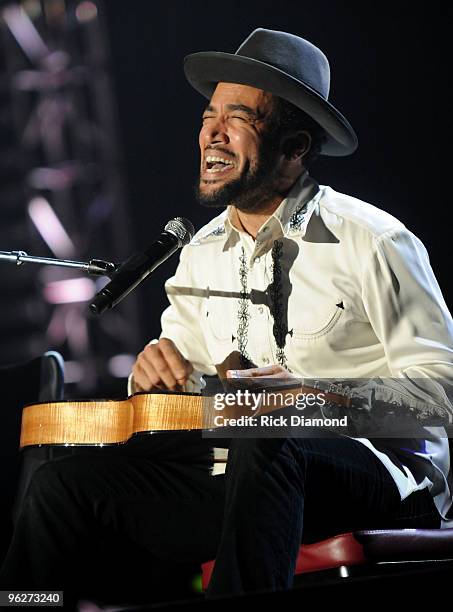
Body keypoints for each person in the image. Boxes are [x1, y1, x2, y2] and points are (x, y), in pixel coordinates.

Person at [1, 28, 453, 605]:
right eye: (209, 113)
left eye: (238, 117)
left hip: (381, 474)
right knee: (63, 485)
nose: (211, 132)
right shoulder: (198, 255)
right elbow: (183, 390)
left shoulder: (373, 240)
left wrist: (312, 397)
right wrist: (153, 377)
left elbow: (441, 397)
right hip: (243, 472)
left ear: (294, 147)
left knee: (265, 435)